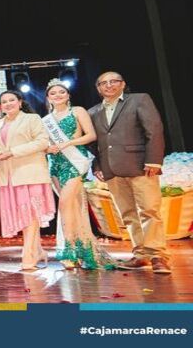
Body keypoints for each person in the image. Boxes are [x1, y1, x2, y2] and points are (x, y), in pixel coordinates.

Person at [88, 71, 170, 273]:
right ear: (98, 88)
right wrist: (97, 166)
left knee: (149, 210)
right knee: (127, 214)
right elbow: (93, 144)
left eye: (113, 81)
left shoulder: (139, 100)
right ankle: (140, 253)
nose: (108, 85)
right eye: (103, 83)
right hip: (111, 169)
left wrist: (154, 160)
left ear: (123, 84)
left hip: (140, 165)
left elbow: (154, 130)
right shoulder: (93, 112)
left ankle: (158, 255)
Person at [43, 79, 115, 270]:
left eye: (61, 92)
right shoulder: (46, 119)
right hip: (56, 164)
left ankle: (70, 251)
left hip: (75, 161)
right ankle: (84, 250)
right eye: (53, 93)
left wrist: (67, 143)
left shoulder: (78, 111)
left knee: (65, 204)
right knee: (72, 207)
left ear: (68, 95)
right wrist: (48, 149)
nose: (58, 95)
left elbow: (91, 135)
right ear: (48, 98)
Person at [0, 90, 55, 270]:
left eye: (12, 100)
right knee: (22, 215)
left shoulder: (32, 119)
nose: (8, 104)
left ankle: (29, 255)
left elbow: (43, 142)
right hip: (9, 176)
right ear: (0, 106)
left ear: (20, 102)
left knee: (31, 214)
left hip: (30, 172)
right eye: (4, 101)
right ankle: (39, 249)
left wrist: (13, 152)